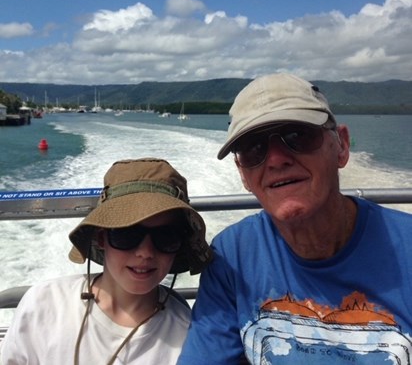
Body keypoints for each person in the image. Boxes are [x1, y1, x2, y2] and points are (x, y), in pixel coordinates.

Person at [178, 73, 412, 364]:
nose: (276, 159)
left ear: (341, 145)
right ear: (243, 174)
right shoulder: (232, 257)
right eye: (254, 148)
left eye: (297, 136)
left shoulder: (406, 250)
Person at [1, 158, 212, 365]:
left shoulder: (187, 336)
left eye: (166, 237)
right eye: (127, 234)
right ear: (102, 238)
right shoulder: (43, 305)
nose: (146, 252)